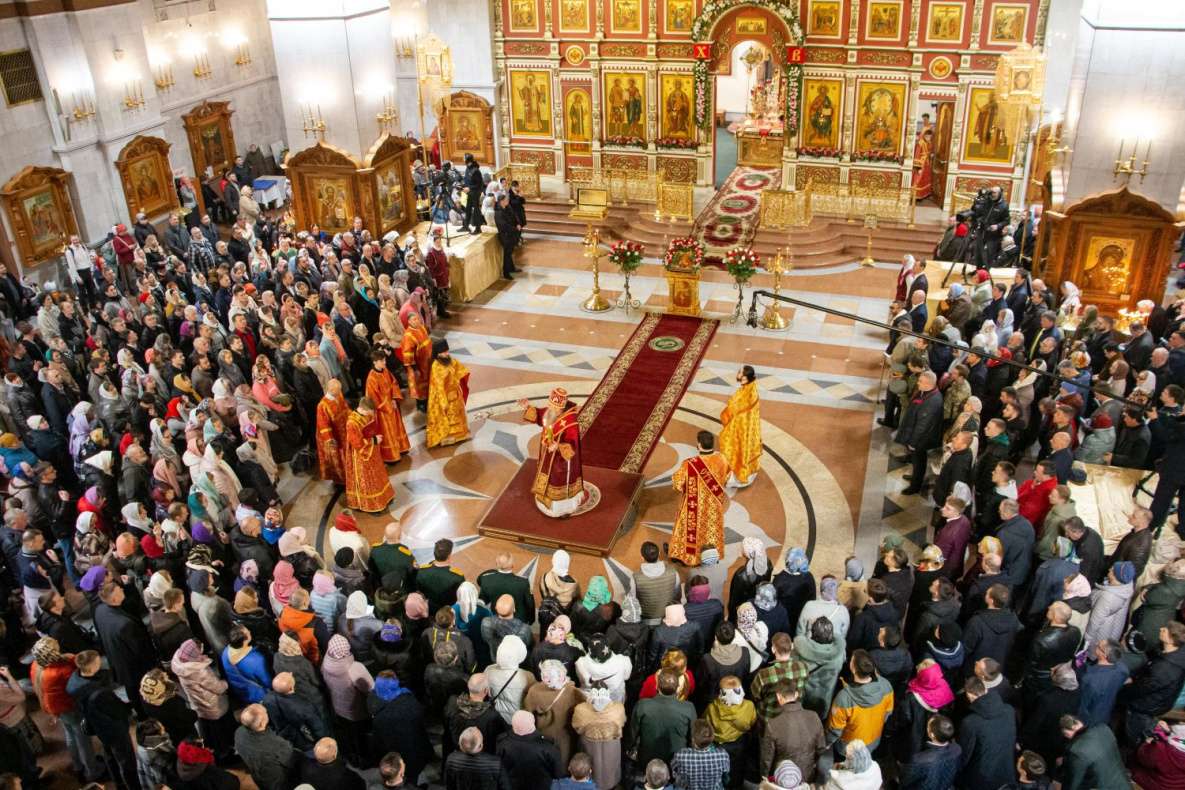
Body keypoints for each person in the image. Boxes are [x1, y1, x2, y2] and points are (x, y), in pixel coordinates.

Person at [517, 388, 587, 517]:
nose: (549, 408)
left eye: (552, 407)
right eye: (549, 405)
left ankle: (562, 509)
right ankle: (544, 503)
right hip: (547, 454)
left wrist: (558, 447)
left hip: (561, 462)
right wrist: (527, 407)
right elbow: (539, 415)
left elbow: (573, 444)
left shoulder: (571, 422)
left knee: (556, 479)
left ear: (559, 408)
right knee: (546, 476)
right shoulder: (551, 412)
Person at [667, 431, 729, 566]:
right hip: (713, 505)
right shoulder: (722, 459)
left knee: (687, 530)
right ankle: (711, 555)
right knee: (710, 529)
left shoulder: (689, 464)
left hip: (693, 506)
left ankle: (686, 557)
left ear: (699, 445)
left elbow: (678, 483)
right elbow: (726, 477)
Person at [957, 676, 1017, 790]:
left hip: (981, 779)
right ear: (986, 690)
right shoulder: (1009, 710)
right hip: (1006, 772)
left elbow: (965, 755)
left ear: (969, 695)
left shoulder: (971, 722)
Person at [344, 397, 396, 512]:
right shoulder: (352, 423)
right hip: (362, 456)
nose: (370, 414)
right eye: (369, 412)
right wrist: (374, 440)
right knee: (368, 480)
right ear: (362, 408)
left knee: (378, 474)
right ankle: (371, 504)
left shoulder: (364, 415)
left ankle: (384, 496)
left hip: (372, 452)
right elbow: (357, 443)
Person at [896, 371, 944, 495]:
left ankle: (915, 486)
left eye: (921, 381)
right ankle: (915, 477)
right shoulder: (926, 393)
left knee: (919, 461)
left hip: (922, 439)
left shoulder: (932, 401)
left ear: (929, 383)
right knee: (916, 460)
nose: (918, 383)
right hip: (920, 435)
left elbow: (922, 426)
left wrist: (913, 442)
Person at [1060, 714, 1131, 790]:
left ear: (1068, 733)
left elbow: (1072, 783)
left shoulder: (1077, 751)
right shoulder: (1104, 728)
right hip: (1124, 784)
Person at [719, 365, 761, 488]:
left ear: (745, 377)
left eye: (740, 372)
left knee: (732, 447)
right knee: (745, 448)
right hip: (749, 427)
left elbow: (732, 410)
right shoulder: (752, 388)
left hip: (739, 428)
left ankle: (737, 477)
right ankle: (747, 472)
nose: (737, 373)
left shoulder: (742, 395)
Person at [366, 350, 410, 463]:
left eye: (384, 360)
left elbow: (394, 383)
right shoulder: (371, 378)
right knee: (387, 432)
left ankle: (401, 448)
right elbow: (374, 397)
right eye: (382, 361)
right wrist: (388, 404)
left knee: (396, 428)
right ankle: (391, 456)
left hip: (392, 405)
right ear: (375, 362)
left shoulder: (385, 370)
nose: (385, 362)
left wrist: (394, 399)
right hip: (383, 411)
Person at [426, 339, 471, 448]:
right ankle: (448, 439)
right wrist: (443, 402)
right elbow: (438, 387)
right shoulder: (436, 367)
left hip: (455, 394)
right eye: (445, 352)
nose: (448, 354)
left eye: (448, 351)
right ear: (438, 353)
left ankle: (460, 435)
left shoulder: (452, 361)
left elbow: (461, 371)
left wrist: (460, 384)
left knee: (458, 416)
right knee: (449, 418)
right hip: (445, 397)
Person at [898, 714, 961, 790]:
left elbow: (904, 781)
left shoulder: (919, 760)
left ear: (932, 735)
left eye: (928, 727)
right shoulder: (957, 749)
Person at [670, 719, 730, 790]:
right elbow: (726, 772)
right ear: (712, 737)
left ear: (693, 739)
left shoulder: (681, 755)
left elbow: (674, 772)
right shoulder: (723, 755)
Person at [316, 378, 349, 485]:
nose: (340, 392)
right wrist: (330, 441)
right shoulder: (323, 406)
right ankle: (341, 481)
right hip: (335, 437)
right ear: (330, 390)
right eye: (338, 390)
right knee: (338, 460)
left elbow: (346, 409)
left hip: (345, 432)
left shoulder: (339, 396)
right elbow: (323, 426)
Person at [401, 311, 432, 412]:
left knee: (428, 381)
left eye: (418, 318)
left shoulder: (421, 327)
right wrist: (415, 369)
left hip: (427, 362)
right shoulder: (408, 336)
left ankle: (428, 399)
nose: (418, 320)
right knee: (419, 385)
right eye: (414, 319)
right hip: (418, 366)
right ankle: (421, 404)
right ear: (409, 321)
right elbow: (407, 355)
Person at [494, 193, 521, 279]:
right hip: (506, 235)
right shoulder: (499, 213)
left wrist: (517, 223)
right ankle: (506, 272)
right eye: (506, 200)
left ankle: (511, 267)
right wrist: (514, 229)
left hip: (511, 234)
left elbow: (514, 216)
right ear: (501, 201)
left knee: (510, 252)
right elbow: (503, 225)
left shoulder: (508, 208)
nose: (507, 201)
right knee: (507, 254)